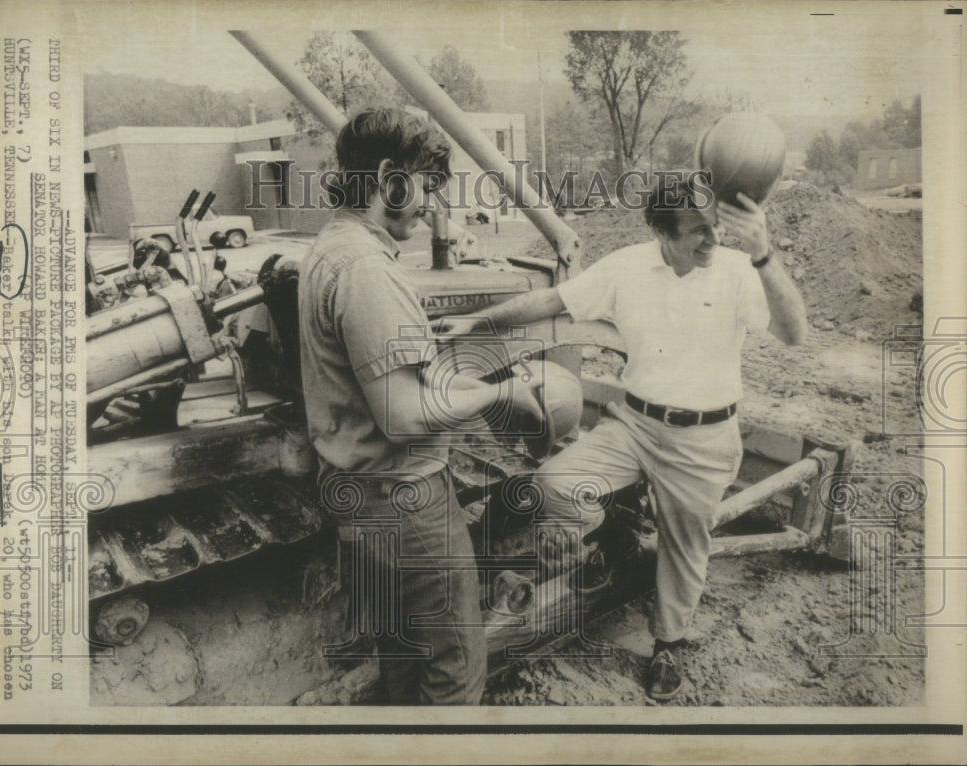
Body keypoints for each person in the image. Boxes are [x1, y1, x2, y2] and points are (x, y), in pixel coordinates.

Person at [440, 177, 806, 700]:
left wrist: (765, 255)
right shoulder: (628, 266)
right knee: (553, 482)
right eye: (696, 232)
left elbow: (795, 334)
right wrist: (476, 320)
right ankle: (613, 532)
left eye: (715, 229)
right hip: (635, 426)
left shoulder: (738, 272)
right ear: (660, 230)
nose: (711, 242)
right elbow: (551, 299)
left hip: (704, 437)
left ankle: (668, 645)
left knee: (685, 549)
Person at [297, 108, 542, 705]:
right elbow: (404, 415)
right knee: (454, 663)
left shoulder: (331, 246)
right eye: (427, 185)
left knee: (403, 650)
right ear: (388, 178)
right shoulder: (367, 270)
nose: (434, 204)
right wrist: (501, 393)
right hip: (406, 496)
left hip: (357, 489)